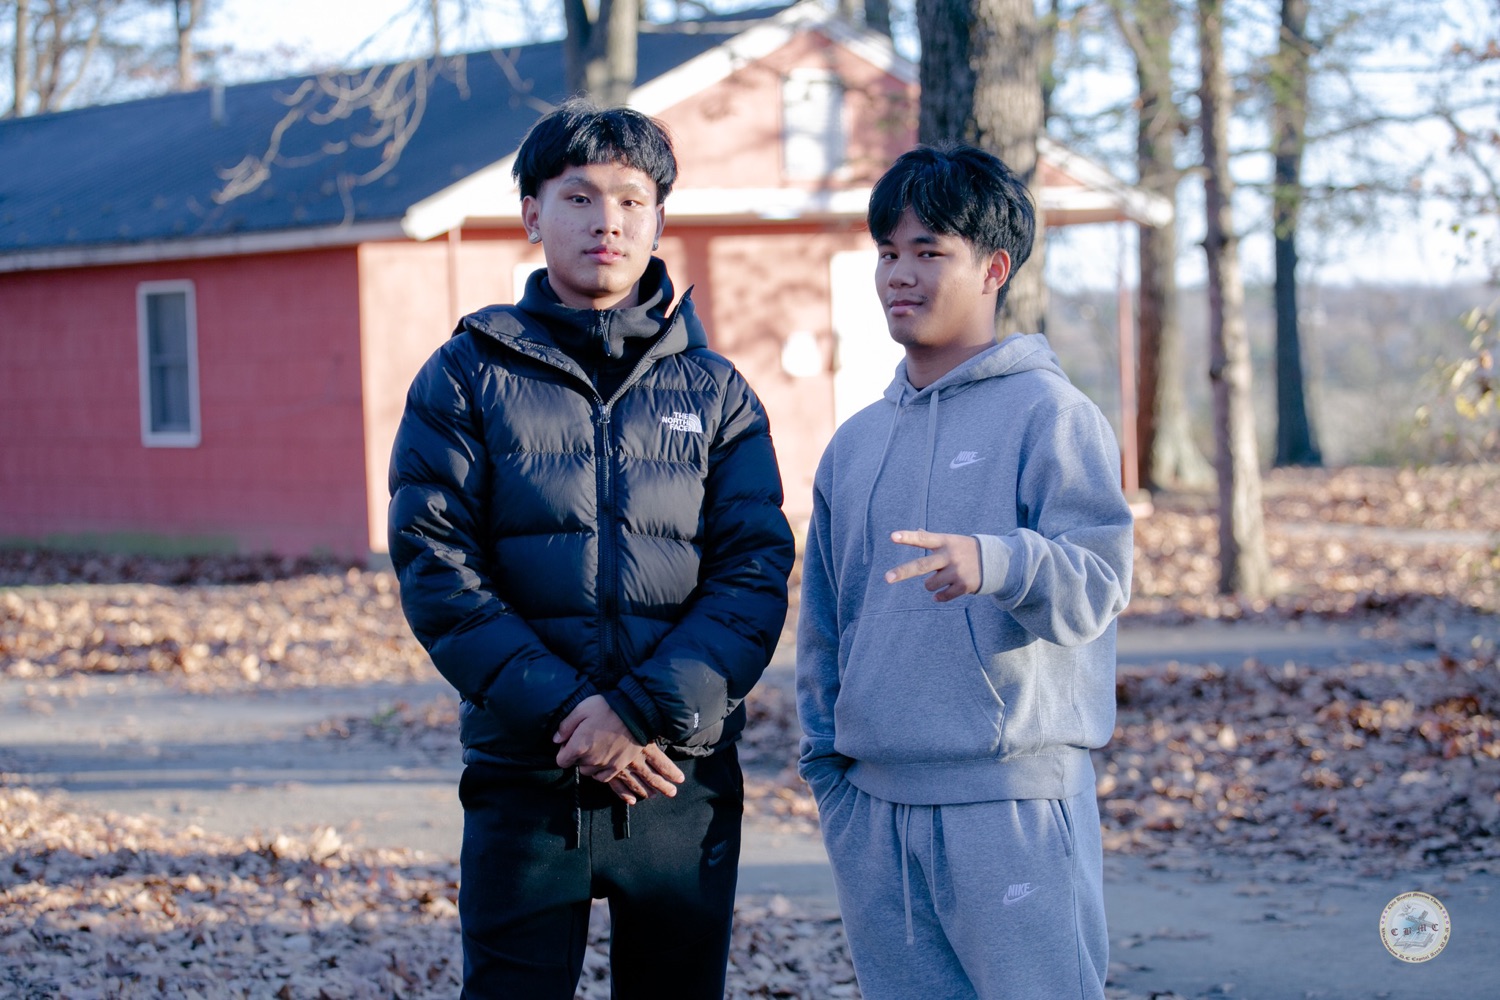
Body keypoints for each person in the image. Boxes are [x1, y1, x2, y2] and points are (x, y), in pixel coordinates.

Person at [387, 99, 794, 1000]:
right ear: (532, 214)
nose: (607, 220)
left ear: (659, 220)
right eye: (579, 197)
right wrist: (575, 714)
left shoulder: (716, 391)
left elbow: (755, 571)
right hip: (528, 770)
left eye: (631, 199)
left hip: (677, 774)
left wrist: (641, 711)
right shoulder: (466, 376)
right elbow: (435, 562)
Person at [796, 143, 1134, 1000]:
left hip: (1012, 807)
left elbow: (1100, 582)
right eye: (888, 253)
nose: (899, 275)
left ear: (994, 268)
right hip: (874, 817)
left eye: (928, 251)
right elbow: (825, 632)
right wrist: (831, 778)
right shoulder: (854, 445)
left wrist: (1000, 561)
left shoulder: (1051, 415)